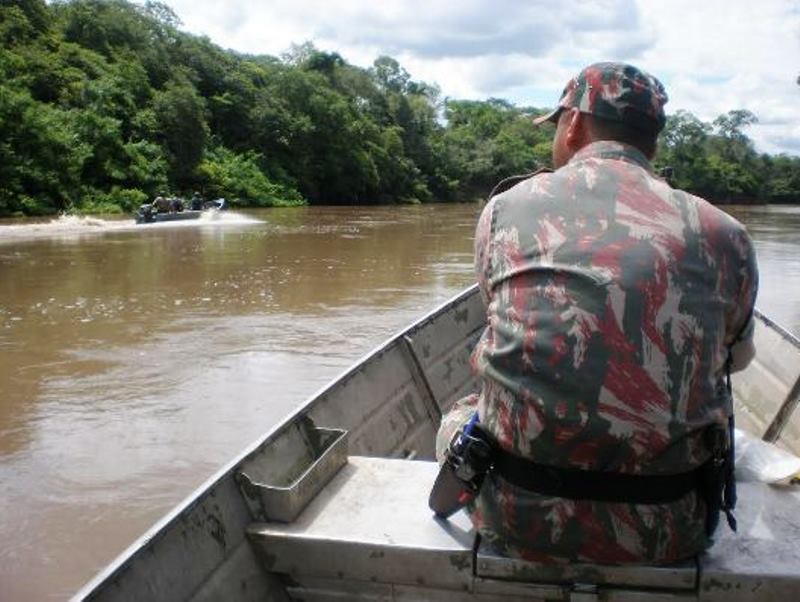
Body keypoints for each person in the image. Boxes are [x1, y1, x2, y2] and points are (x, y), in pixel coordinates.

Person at [435, 62, 759, 565]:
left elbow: (500, 319)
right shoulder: (726, 234)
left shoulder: (505, 210)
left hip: (518, 516)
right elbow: (734, 360)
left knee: (464, 408)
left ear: (572, 125)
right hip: (671, 527)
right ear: (652, 141)